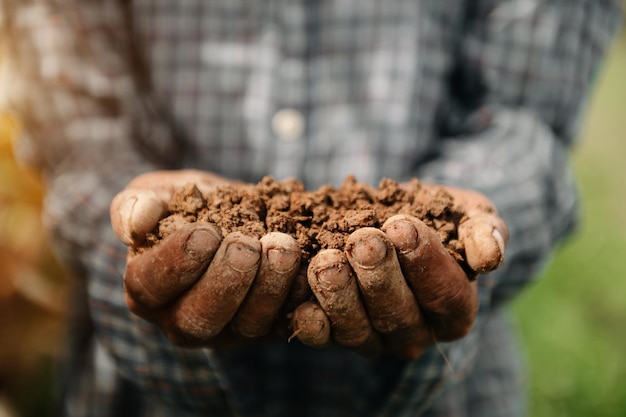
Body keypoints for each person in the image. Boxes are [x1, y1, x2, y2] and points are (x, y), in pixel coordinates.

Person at [0, 1, 621, 416]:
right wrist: (130, 215)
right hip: (138, 396)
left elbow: (522, 119)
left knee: (396, 251)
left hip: (445, 398)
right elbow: (79, 130)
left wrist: (455, 226)